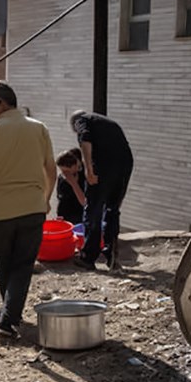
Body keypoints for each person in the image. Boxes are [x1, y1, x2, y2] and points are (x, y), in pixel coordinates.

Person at [0, 81, 56, 339]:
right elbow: (51, 169)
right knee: (23, 265)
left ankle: (7, 319)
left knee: (4, 265)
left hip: (0, 211)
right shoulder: (39, 128)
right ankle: (9, 314)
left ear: (1, 103)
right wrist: (46, 198)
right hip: (32, 208)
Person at [69, 110, 134, 271]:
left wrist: (89, 169)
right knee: (112, 209)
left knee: (93, 210)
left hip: (103, 167)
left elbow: (85, 138)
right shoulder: (106, 122)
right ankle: (111, 254)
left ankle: (88, 257)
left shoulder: (81, 120)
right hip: (124, 165)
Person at [55, 147, 87, 225]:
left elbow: (84, 202)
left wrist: (73, 183)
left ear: (74, 166)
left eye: (66, 171)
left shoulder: (84, 176)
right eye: (62, 171)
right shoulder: (62, 178)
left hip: (79, 217)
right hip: (65, 216)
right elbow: (61, 198)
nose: (65, 174)